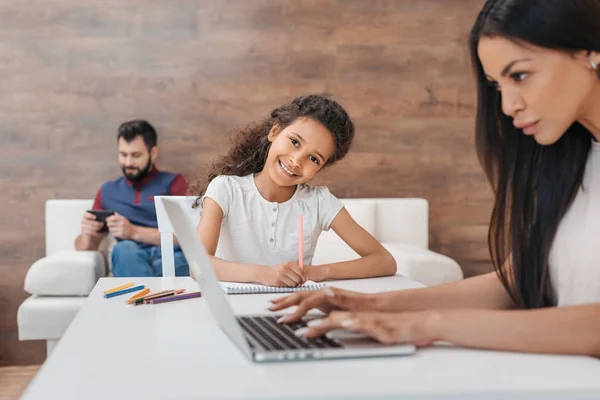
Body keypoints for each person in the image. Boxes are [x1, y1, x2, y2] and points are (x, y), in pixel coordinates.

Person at [270, 0, 600, 357]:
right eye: (497, 85)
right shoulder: (568, 161)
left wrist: (427, 324)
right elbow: (517, 284)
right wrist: (364, 305)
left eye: (519, 75)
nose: (508, 106)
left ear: (589, 51)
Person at [193, 94, 397, 287]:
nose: (296, 161)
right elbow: (197, 264)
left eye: (314, 159)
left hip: (291, 310)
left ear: (321, 167)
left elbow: (385, 261)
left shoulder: (318, 202)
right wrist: (263, 274)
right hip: (231, 307)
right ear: (274, 132)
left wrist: (315, 272)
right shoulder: (226, 189)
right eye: (294, 142)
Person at [75, 119, 190, 277]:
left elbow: (189, 236)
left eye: (136, 155)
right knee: (122, 250)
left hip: (171, 256)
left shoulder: (174, 183)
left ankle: (141, 295)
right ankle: (154, 293)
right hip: (130, 257)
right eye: (123, 154)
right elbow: (87, 247)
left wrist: (134, 232)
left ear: (153, 153)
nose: (128, 162)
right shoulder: (108, 191)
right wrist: (87, 235)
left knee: (181, 261)